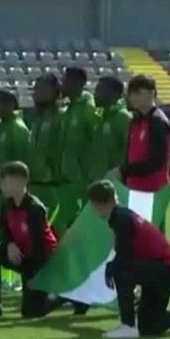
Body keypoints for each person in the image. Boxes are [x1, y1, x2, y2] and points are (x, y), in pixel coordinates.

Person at [85, 180, 170, 339]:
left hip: (166, 269)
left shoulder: (120, 218)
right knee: (148, 327)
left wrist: (112, 267)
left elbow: (125, 255)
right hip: (165, 270)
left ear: (99, 204)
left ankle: (128, 325)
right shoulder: (122, 215)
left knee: (121, 271)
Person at [0, 162, 61, 320]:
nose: (1, 185)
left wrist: (31, 279)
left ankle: (63, 298)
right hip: (22, 256)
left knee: (31, 312)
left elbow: (40, 247)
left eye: (5, 181)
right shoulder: (7, 205)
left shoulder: (34, 208)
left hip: (40, 262)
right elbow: (5, 231)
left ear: (20, 182)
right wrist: (9, 245)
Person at [0, 90, 32, 290]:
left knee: (15, 234)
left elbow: (23, 162)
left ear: (10, 105)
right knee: (2, 233)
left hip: (12, 192)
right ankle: (6, 278)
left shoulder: (18, 129)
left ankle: (15, 279)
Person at [109, 76, 170, 202]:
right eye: (131, 93)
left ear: (151, 93)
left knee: (147, 222)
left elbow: (156, 161)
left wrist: (123, 170)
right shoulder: (135, 121)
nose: (133, 97)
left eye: (137, 92)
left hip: (152, 188)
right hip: (134, 188)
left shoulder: (157, 121)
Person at [58, 67, 97, 230]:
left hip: (82, 179)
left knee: (82, 225)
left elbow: (95, 141)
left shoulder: (88, 108)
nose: (62, 85)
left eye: (66, 80)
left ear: (78, 83)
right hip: (68, 178)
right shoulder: (69, 108)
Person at [27, 74, 65, 232]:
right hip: (36, 183)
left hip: (53, 185)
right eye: (35, 88)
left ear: (54, 91)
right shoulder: (37, 119)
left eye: (41, 88)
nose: (36, 92)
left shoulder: (61, 117)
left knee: (52, 229)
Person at [89, 76, 131, 184]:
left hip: (116, 181)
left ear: (114, 94)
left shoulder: (123, 117)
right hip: (97, 179)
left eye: (100, 90)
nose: (95, 95)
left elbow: (132, 151)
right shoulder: (100, 115)